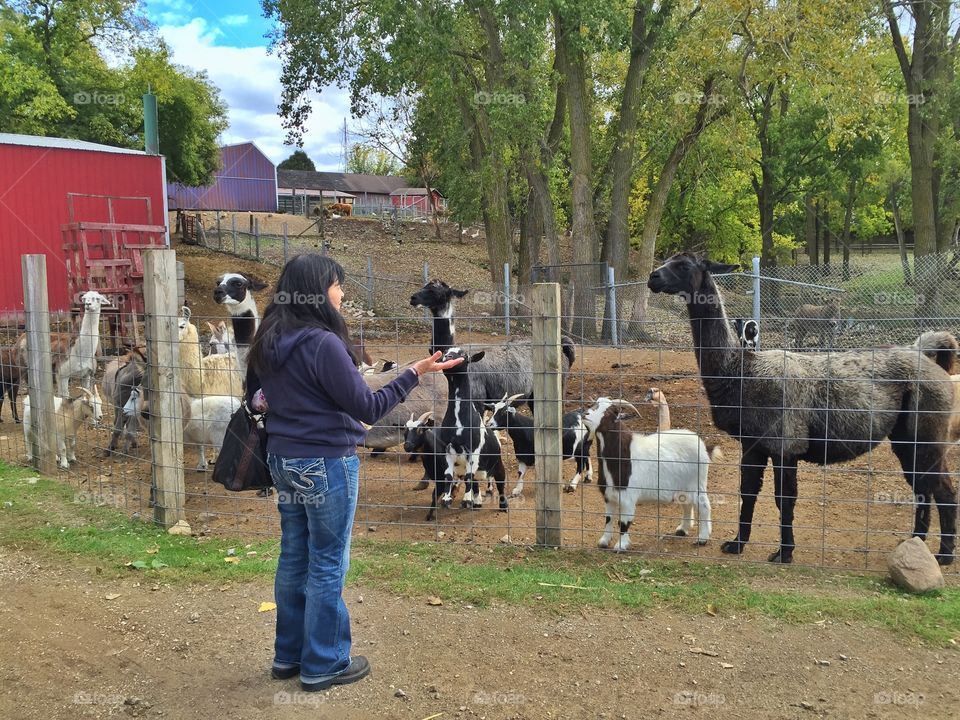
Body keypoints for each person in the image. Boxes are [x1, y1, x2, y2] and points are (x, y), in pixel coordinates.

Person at [247, 254, 461, 692]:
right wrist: (413, 374)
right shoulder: (322, 343)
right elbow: (367, 407)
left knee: (294, 555)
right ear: (317, 291)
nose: (342, 294)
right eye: (337, 285)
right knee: (327, 560)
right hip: (325, 461)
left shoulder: (268, 338)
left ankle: (288, 656)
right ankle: (324, 662)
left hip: (283, 460)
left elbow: (256, 400)